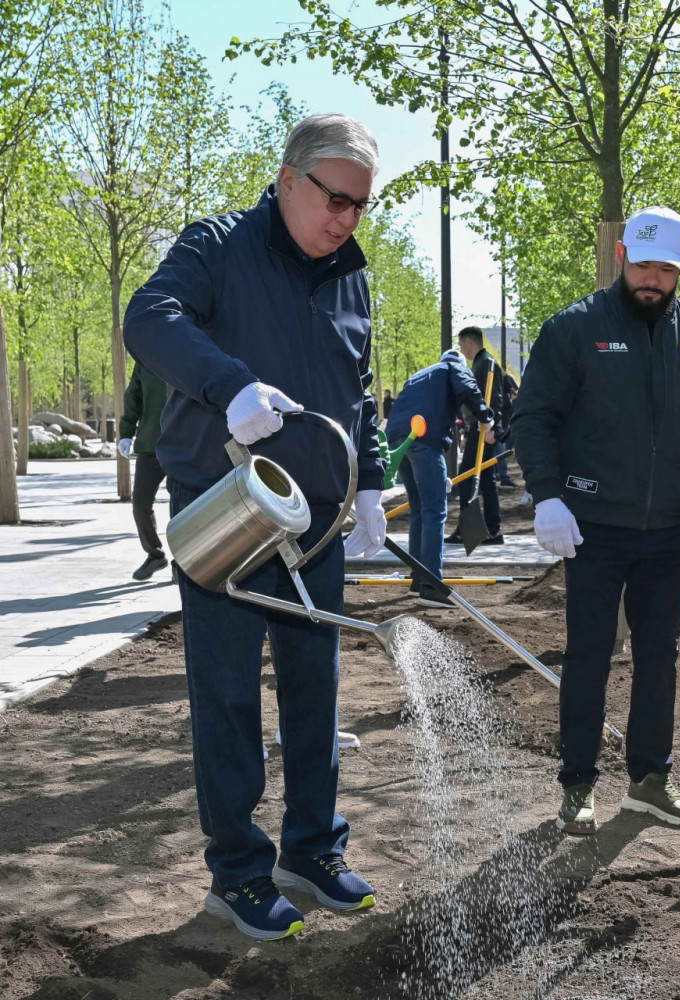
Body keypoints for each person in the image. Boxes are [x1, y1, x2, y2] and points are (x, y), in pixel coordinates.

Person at [123, 113, 387, 941]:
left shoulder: (352, 277)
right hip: (225, 508)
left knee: (317, 691)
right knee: (230, 699)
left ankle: (311, 849)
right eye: (334, 198)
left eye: (360, 205)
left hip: (317, 524)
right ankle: (236, 871)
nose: (345, 217)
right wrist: (229, 384)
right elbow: (149, 317)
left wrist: (371, 484)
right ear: (287, 179)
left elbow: (360, 386)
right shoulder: (216, 247)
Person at [511, 206, 680, 836]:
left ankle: (649, 780)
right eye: (641, 265)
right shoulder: (573, 329)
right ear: (621, 258)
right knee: (588, 654)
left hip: (669, 528)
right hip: (593, 524)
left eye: (664, 270)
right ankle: (578, 786)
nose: (651, 279)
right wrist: (547, 497)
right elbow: (533, 418)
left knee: (660, 656)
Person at [387, 348, 494, 607]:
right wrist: (486, 418)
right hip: (424, 436)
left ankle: (417, 578)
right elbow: (468, 387)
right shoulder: (452, 367)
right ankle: (432, 585)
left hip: (398, 438)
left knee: (419, 511)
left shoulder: (419, 375)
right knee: (435, 511)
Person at [445, 326, 505, 545]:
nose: (462, 349)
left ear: (469, 341)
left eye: (461, 344)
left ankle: (470, 530)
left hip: (482, 431)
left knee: (467, 476)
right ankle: (491, 529)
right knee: (485, 479)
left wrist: (491, 429)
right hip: (479, 429)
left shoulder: (485, 364)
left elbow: (494, 399)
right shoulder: (480, 364)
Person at [118, 362, 169, 581]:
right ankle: (155, 555)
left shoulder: (189, 350)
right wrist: (126, 432)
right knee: (140, 503)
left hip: (185, 446)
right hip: (150, 444)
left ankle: (185, 562)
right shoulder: (146, 359)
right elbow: (134, 396)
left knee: (183, 507)